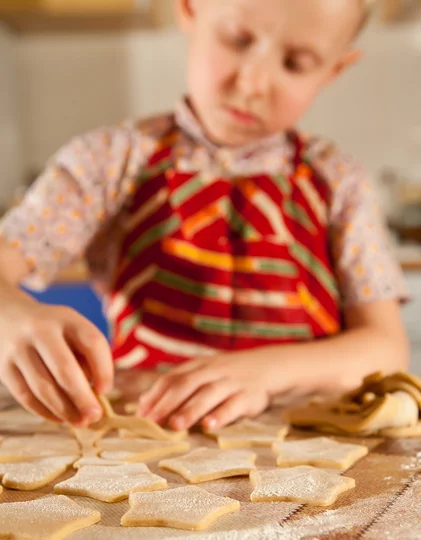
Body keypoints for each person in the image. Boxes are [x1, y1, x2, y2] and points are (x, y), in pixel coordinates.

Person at [0, 0, 409, 434]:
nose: (251, 83)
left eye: (295, 63)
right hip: (147, 442)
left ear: (334, 71)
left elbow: (385, 348)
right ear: (189, 11)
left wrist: (267, 373)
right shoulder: (109, 161)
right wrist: (10, 316)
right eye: (237, 40)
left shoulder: (339, 181)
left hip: (313, 447)